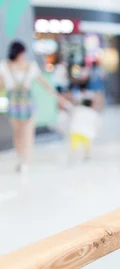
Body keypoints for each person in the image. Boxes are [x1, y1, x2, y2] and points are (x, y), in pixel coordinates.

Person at [0, 41, 70, 172]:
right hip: (15, 104)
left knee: (26, 133)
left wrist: (58, 97)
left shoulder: (30, 66)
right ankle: (21, 159)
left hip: (25, 103)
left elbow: (45, 84)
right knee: (18, 133)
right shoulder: (4, 66)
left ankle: (25, 161)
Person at [69, 91, 99, 161]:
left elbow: (71, 111)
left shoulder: (78, 109)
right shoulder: (93, 113)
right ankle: (87, 156)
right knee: (87, 145)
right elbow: (96, 123)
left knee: (74, 145)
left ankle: (71, 156)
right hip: (86, 132)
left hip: (76, 131)